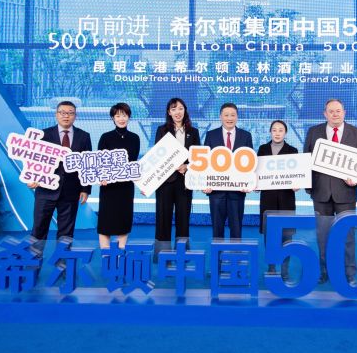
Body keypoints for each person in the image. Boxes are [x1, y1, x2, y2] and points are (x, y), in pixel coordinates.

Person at [303, 99, 357, 285]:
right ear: (325, 114)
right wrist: (308, 186)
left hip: (346, 192)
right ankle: (325, 271)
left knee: (348, 235)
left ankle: (349, 273)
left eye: (338, 111)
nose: (335, 114)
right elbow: (306, 159)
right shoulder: (314, 132)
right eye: (331, 111)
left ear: (344, 112)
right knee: (323, 236)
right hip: (320, 192)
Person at [27, 101, 92, 254]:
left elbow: (86, 164)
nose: (66, 116)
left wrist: (85, 189)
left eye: (70, 113)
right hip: (45, 190)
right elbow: (33, 159)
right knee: (38, 229)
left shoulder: (84, 136)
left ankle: (62, 263)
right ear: (56, 115)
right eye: (62, 112)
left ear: (75, 116)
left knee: (66, 232)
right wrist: (32, 176)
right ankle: (33, 263)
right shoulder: (43, 135)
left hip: (71, 191)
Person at [152, 98, 201, 256]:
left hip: (185, 182)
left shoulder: (194, 132)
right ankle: (162, 255)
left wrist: (187, 166)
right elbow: (157, 154)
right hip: (165, 182)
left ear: (185, 110)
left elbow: (198, 157)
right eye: (173, 109)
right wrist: (172, 164)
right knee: (163, 218)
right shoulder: (161, 130)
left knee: (183, 219)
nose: (177, 112)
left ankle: (182, 254)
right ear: (169, 112)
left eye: (180, 108)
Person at [203, 102, 254, 240]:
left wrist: (249, 183)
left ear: (237, 117)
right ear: (220, 116)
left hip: (237, 192)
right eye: (226, 115)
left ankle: (235, 253)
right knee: (217, 230)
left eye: (232, 115)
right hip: (216, 192)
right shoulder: (211, 135)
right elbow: (205, 163)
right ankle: (218, 254)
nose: (229, 118)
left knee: (236, 229)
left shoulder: (246, 136)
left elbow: (250, 164)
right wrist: (204, 184)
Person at [257, 120, 298, 278]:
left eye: (281, 130)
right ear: (270, 132)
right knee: (270, 236)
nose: (277, 133)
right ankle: (272, 267)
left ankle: (285, 271)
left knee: (286, 236)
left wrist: (298, 183)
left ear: (285, 133)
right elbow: (257, 172)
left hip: (287, 200)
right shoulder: (263, 149)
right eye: (274, 130)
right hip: (268, 200)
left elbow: (298, 175)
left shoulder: (293, 151)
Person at [97, 103, 140, 250]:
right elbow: (99, 161)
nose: (121, 119)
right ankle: (105, 254)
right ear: (113, 118)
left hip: (126, 187)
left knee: (124, 220)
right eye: (118, 115)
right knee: (105, 222)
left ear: (129, 117)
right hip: (108, 187)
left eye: (124, 115)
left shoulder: (135, 138)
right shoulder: (105, 137)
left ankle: (121, 251)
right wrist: (102, 176)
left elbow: (133, 162)